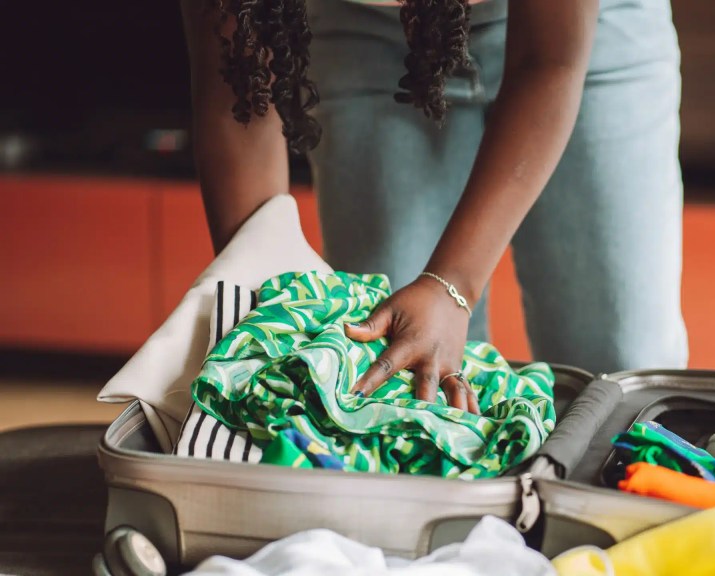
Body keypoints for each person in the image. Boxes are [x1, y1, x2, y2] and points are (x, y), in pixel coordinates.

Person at [180, 0, 688, 415]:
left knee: (623, 367)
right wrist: (259, 303)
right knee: (399, 380)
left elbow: (549, 60)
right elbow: (236, 85)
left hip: (591, 30)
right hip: (365, 37)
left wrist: (453, 285)